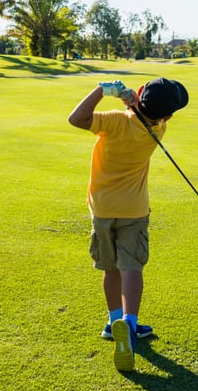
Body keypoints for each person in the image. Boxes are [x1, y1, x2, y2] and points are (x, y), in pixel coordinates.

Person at [68, 77, 189, 372]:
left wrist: (103, 89)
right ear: (168, 115)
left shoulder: (114, 122)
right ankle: (130, 324)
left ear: (139, 96)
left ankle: (113, 321)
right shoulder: (158, 129)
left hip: (102, 209)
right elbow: (145, 115)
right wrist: (132, 103)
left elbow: (77, 118)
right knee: (131, 267)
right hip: (133, 210)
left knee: (110, 269)